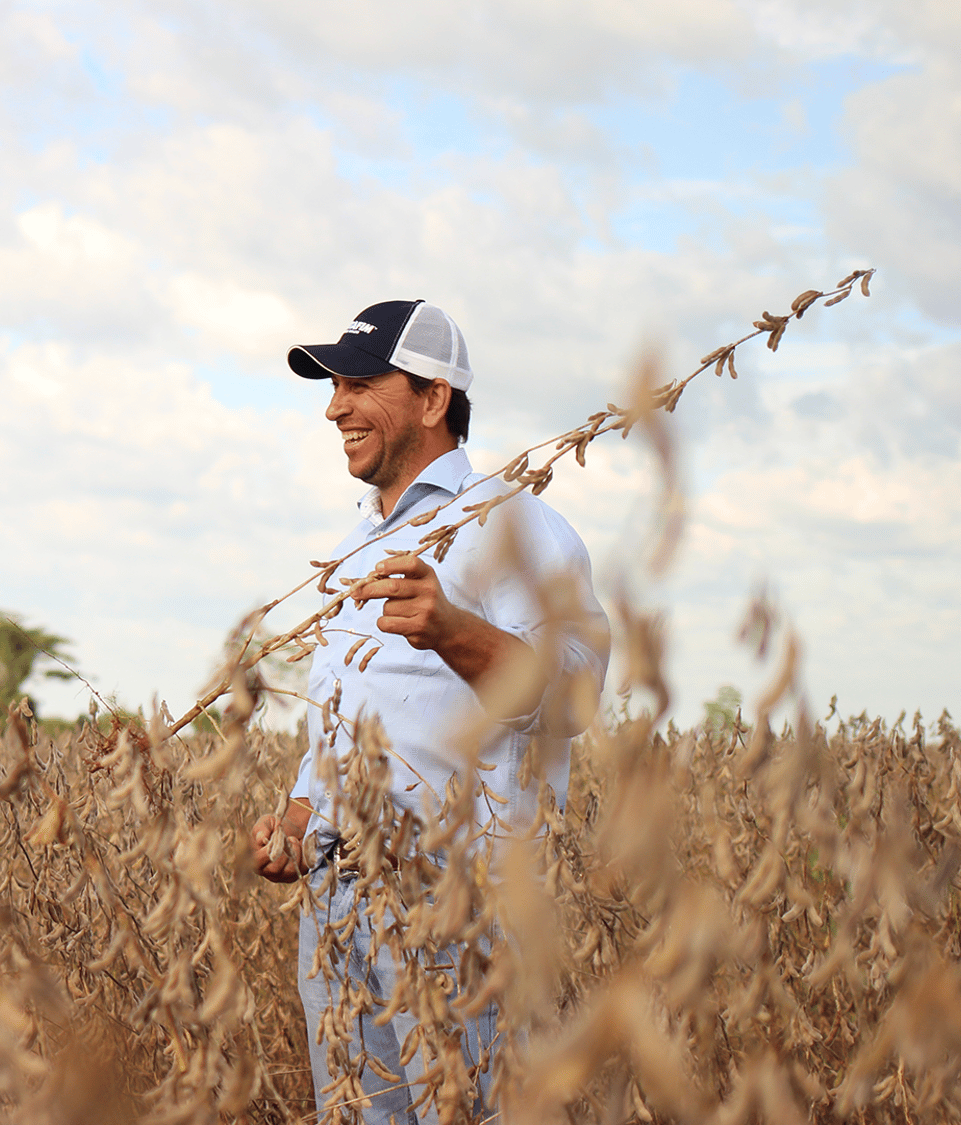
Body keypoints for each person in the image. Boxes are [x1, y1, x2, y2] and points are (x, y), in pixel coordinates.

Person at [249, 300, 609, 1124]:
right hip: (340, 905)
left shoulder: (509, 521)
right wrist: (303, 820)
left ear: (433, 396)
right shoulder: (352, 546)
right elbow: (347, 716)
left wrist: (454, 630)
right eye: (334, 386)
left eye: (361, 383)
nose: (335, 407)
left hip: (454, 900)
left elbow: (578, 693)